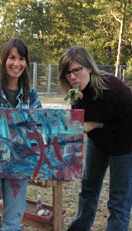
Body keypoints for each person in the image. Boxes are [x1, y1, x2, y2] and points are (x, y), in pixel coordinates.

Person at [58, 46, 132, 231]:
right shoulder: (76, 93)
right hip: (98, 143)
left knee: (118, 201)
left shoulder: (114, 88)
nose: (73, 76)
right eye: (68, 73)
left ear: (89, 67)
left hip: (125, 145)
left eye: (77, 70)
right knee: (88, 189)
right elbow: (78, 121)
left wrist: (98, 124)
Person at [0, 38, 42, 231]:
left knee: (12, 225)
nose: (17, 63)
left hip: (19, 167)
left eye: (21, 58)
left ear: (26, 63)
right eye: (12, 57)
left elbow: (38, 129)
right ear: (4, 60)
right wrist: (0, 130)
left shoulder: (32, 96)